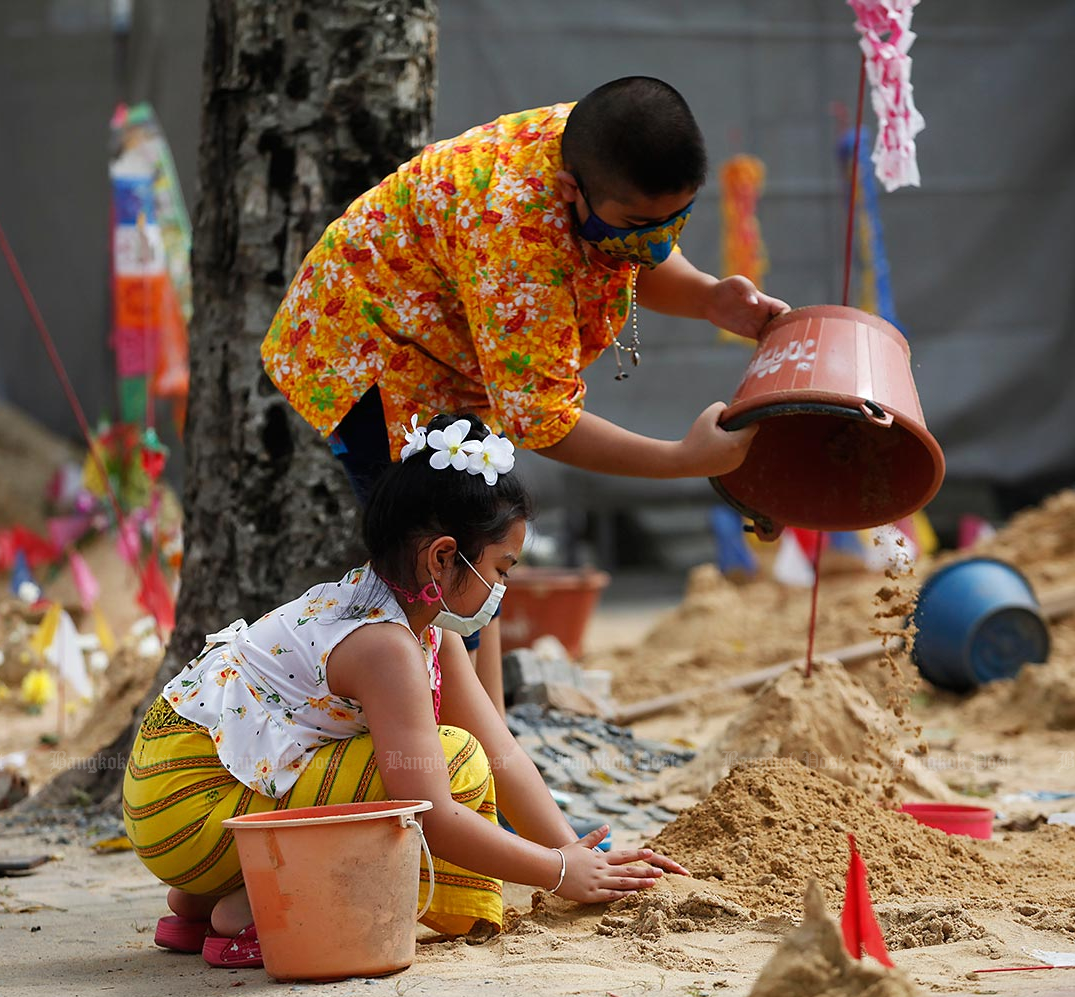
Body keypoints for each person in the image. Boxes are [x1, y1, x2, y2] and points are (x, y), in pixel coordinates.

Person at [262, 76, 789, 712]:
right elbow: (543, 422)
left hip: (445, 353)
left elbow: (626, 249)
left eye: (674, 221)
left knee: (476, 561)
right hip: (365, 352)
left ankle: (486, 743)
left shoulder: (602, 150)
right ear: (572, 189)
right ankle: (443, 756)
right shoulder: (515, 235)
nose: (657, 241)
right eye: (639, 225)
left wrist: (707, 297)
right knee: (436, 569)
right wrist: (682, 460)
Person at [123, 414, 689, 968]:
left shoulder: (412, 625)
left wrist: (579, 853)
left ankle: (202, 899)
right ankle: (253, 913)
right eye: (501, 567)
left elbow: (505, 753)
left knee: (466, 755)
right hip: (190, 803)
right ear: (443, 557)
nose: (504, 588)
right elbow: (438, 815)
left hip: (169, 795)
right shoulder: (385, 646)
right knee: (454, 765)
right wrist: (559, 873)